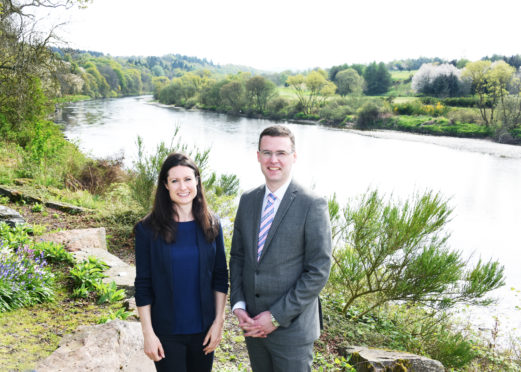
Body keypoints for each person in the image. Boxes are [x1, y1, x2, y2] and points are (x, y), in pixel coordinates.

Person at [230, 125, 332, 371]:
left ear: (293, 157)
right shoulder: (248, 200)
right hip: (253, 325)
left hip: (292, 331)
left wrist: (275, 317)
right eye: (266, 152)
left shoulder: (312, 204)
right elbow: (238, 257)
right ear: (258, 156)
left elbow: (318, 270)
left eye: (281, 153)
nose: (273, 160)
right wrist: (239, 304)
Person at [134, 152, 228, 372]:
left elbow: (220, 276)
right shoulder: (147, 230)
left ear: (197, 181)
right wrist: (148, 333)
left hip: (204, 331)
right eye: (174, 180)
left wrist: (218, 323)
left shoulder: (212, 224)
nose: (182, 187)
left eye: (187, 179)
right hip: (166, 333)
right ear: (165, 185)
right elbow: (143, 284)